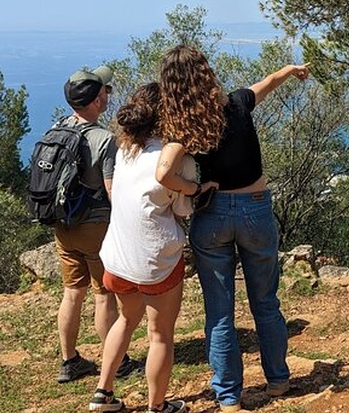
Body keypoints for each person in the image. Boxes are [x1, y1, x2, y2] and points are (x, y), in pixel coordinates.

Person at [156, 45, 308, 413]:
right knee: (266, 302)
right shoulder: (237, 104)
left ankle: (228, 396)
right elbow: (267, 83)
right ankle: (277, 380)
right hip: (255, 209)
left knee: (219, 312)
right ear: (206, 74)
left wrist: (194, 189)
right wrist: (290, 70)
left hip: (212, 215)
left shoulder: (182, 127)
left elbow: (163, 173)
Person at [88, 83, 215, 413]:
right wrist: (198, 188)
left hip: (117, 258)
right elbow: (183, 210)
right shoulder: (174, 158)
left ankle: (103, 393)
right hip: (155, 259)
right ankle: (157, 406)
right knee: (160, 335)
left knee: (126, 321)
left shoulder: (124, 150)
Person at [55, 66, 142, 384]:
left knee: (72, 292)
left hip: (63, 226)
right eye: (104, 91)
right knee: (103, 294)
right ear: (94, 100)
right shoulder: (104, 140)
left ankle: (69, 361)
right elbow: (111, 191)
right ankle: (116, 363)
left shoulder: (59, 128)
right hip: (94, 227)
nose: (107, 95)